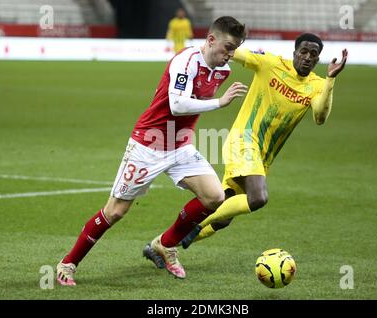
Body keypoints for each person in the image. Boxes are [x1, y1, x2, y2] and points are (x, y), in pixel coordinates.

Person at [56, 16, 247, 286]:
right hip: (147, 145)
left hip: (179, 144)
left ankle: (165, 244)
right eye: (228, 46)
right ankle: (68, 262)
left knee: (214, 197)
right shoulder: (186, 61)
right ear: (211, 39)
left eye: (235, 48)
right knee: (115, 212)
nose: (231, 54)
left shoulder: (223, 71)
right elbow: (177, 105)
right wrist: (219, 102)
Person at [179, 33, 348, 249]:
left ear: (317, 60)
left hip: (262, 156)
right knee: (258, 198)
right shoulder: (270, 63)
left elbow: (320, 118)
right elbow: (234, 52)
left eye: (313, 54)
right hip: (243, 140)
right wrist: (211, 43)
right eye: (303, 52)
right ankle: (198, 225)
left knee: (224, 215)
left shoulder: (317, 85)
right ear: (294, 53)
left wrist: (331, 79)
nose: (307, 57)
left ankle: (168, 243)